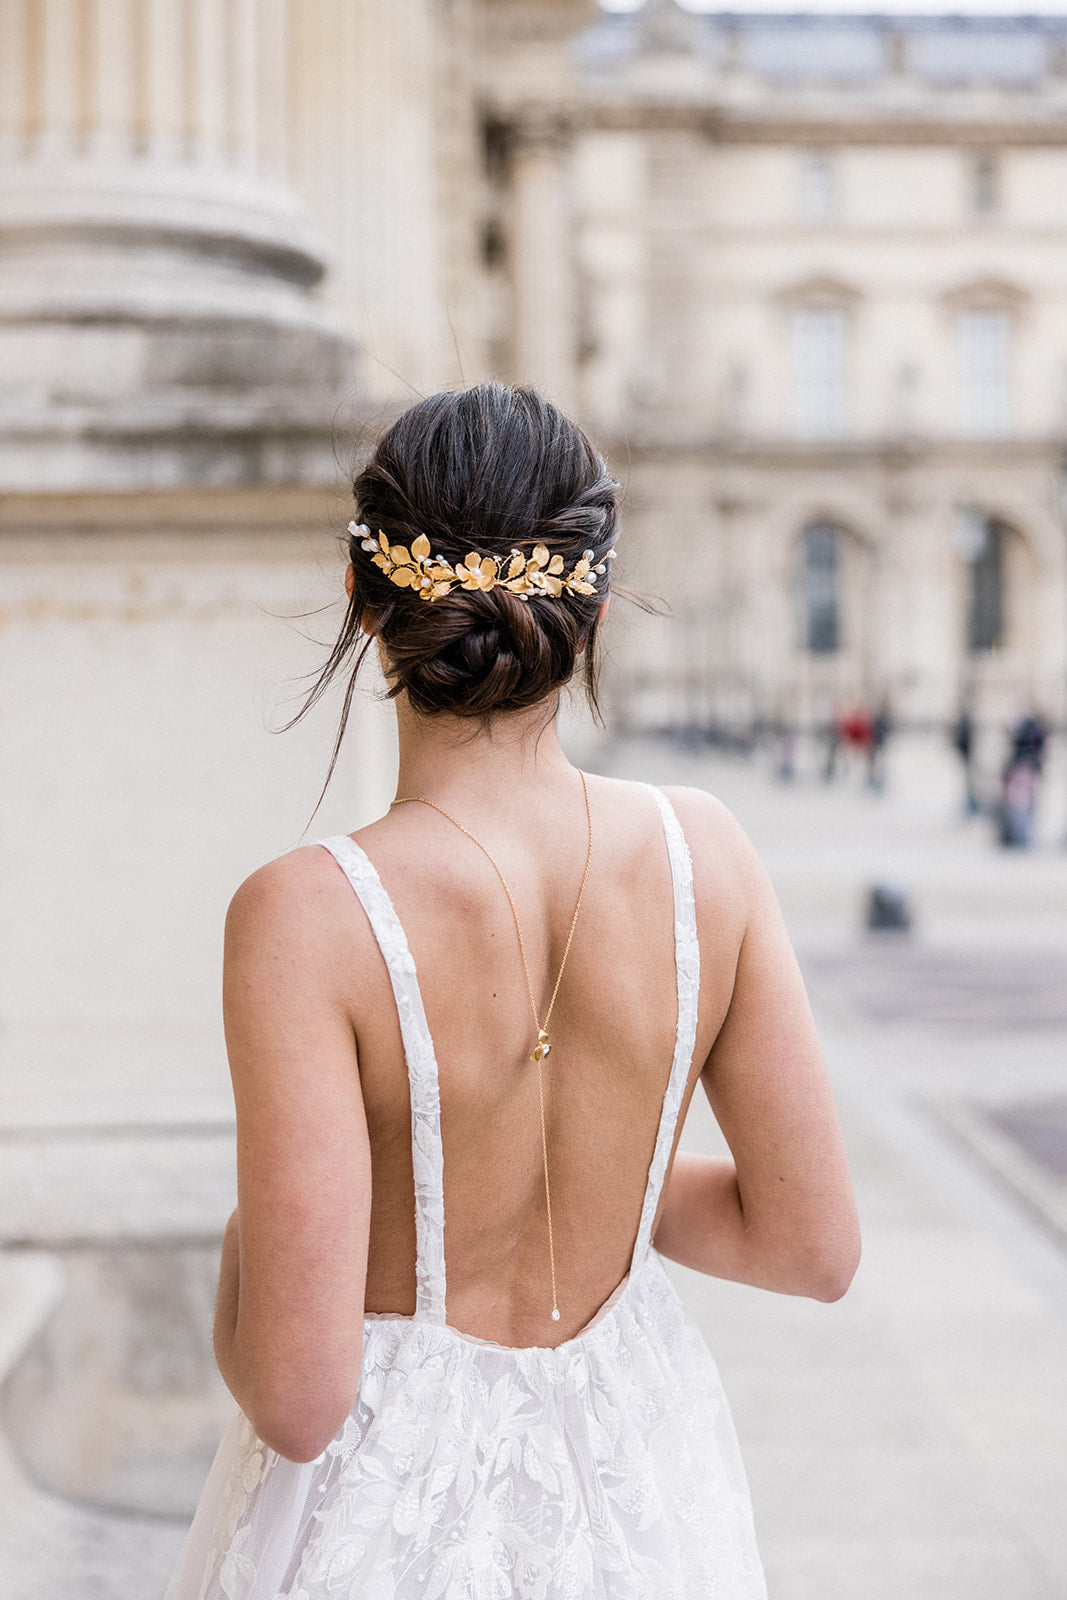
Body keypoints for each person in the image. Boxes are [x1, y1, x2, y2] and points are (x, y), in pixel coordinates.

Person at [166, 383, 860, 1600]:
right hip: (641, 1492)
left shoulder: (305, 915)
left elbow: (299, 1399)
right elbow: (809, 1244)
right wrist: (605, 1170)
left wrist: (254, 1248)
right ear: (593, 604)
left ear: (360, 602)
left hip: (379, 1527)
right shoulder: (709, 853)